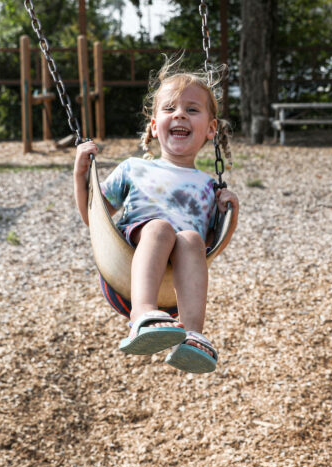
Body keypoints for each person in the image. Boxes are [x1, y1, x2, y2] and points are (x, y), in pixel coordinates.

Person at [73, 57, 239, 373]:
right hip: (125, 276)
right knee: (160, 228)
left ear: (210, 128)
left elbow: (214, 246)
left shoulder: (208, 186)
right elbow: (92, 218)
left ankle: (192, 336)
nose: (180, 114)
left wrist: (232, 210)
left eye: (192, 110)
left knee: (191, 238)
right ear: (153, 125)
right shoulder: (134, 169)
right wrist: (79, 174)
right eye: (170, 109)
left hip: (173, 296)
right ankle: (141, 316)